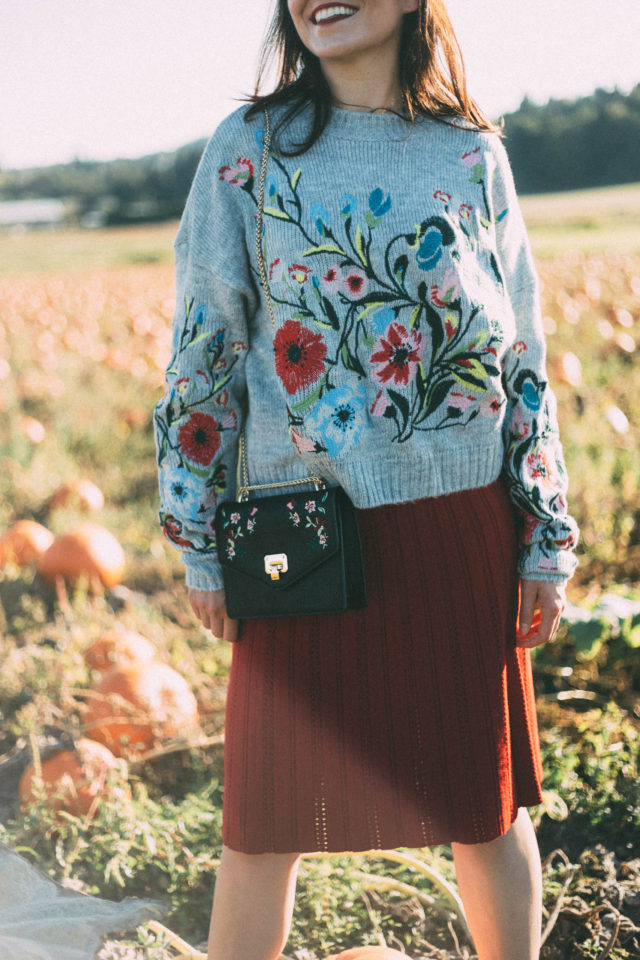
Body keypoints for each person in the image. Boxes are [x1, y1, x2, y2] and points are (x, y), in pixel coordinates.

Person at [153, 1, 580, 958]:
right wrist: (195, 533)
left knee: (487, 805)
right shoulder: (248, 149)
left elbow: (522, 355)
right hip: (298, 536)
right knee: (264, 825)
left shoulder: (472, 152)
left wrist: (544, 530)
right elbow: (203, 351)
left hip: (461, 530)